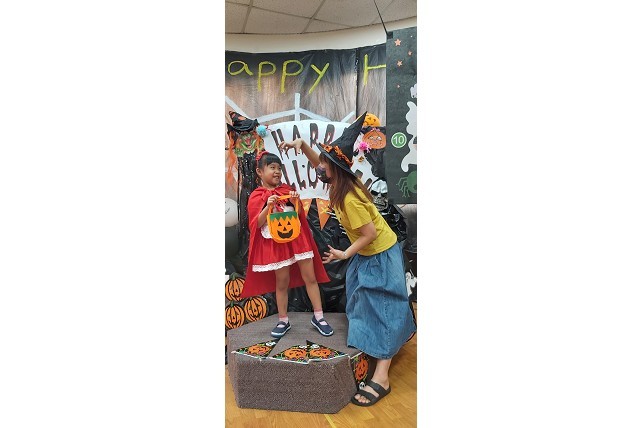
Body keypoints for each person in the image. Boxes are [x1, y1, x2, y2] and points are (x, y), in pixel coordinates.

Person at [279, 112, 416, 407]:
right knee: (360, 301)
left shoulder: (349, 198)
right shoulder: (339, 182)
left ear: (335, 169)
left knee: (383, 307)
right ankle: (373, 344)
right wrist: (302, 145)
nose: (319, 167)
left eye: (324, 164)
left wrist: (344, 254)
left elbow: (368, 233)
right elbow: (319, 163)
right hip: (367, 254)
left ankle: (382, 376)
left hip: (379, 253)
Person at [240, 150, 333, 338]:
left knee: (310, 277)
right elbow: (256, 224)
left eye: (279, 168)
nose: (277, 172)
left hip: (297, 240)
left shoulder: (286, 191)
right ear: (259, 172)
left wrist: (296, 201)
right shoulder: (257, 196)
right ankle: (283, 320)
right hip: (277, 245)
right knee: (282, 282)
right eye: (272, 167)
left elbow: (298, 217)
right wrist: (268, 206)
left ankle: (319, 317)